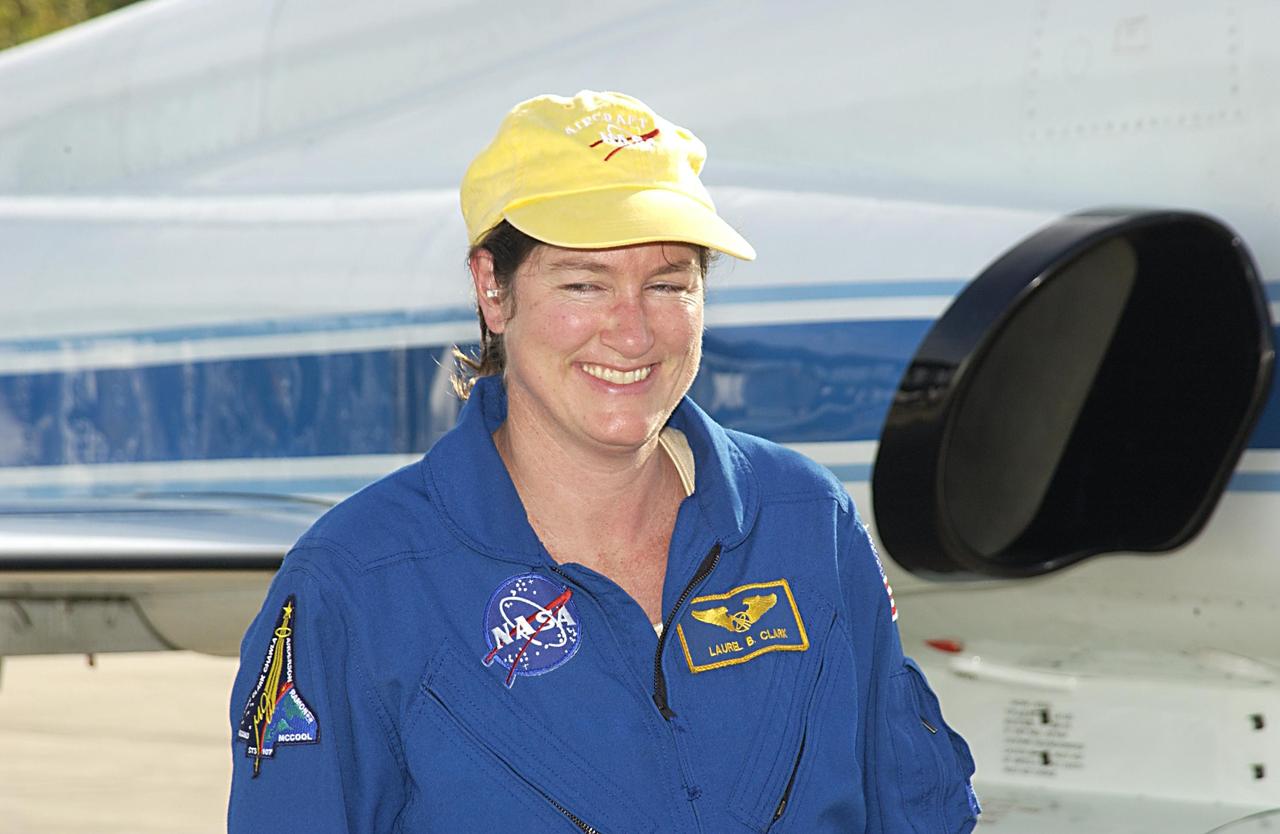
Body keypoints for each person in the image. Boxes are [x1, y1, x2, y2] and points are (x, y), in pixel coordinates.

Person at [227, 90, 980, 833]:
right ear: (493, 289)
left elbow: (912, 810)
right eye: (584, 284)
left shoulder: (805, 522)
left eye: (668, 284)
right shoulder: (359, 582)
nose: (632, 333)